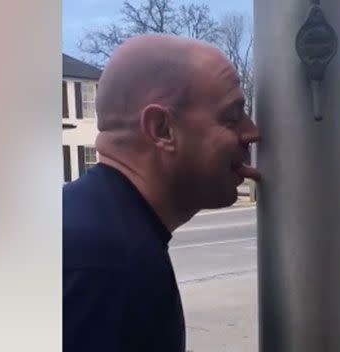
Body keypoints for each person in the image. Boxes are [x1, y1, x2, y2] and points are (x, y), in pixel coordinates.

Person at [63, 34, 261, 352]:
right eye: (232, 117)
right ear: (162, 129)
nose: (252, 132)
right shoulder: (108, 266)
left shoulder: (87, 226)